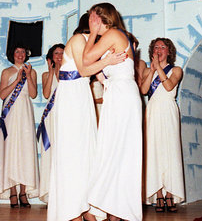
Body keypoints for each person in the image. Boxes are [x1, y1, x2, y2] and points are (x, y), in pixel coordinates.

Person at [47, 13, 127, 221]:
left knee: (87, 150)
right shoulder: (77, 40)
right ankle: (71, 210)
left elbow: (97, 72)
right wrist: (107, 59)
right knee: (72, 153)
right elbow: (83, 70)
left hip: (82, 97)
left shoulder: (89, 42)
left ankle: (87, 207)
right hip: (70, 99)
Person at [83, 2, 143, 221]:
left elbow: (87, 58)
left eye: (92, 17)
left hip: (122, 96)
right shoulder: (114, 38)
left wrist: (91, 34)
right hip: (117, 93)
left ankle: (105, 208)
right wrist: (104, 65)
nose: (90, 21)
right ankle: (112, 208)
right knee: (113, 149)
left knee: (116, 149)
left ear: (100, 18)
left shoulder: (113, 34)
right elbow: (99, 70)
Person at [140, 38, 185, 212]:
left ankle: (170, 194)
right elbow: (144, 90)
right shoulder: (147, 70)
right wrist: (151, 71)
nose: (159, 49)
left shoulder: (176, 70)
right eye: (156, 47)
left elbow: (168, 86)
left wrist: (158, 67)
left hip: (168, 110)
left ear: (168, 51)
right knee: (154, 151)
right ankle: (158, 194)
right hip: (152, 110)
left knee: (170, 150)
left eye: (162, 47)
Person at [0, 44, 39, 208]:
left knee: (25, 150)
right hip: (11, 113)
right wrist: (17, 80)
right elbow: (2, 95)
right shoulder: (7, 72)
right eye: (17, 52)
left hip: (25, 112)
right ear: (12, 54)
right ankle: (13, 192)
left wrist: (28, 76)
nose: (20, 54)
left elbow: (33, 94)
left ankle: (23, 191)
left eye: (23, 52)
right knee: (11, 149)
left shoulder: (32, 71)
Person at [38, 43, 65, 204]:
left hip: (64, 118)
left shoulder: (70, 73)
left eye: (62, 53)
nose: (59, 56)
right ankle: (49, 193)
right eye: (56, 53)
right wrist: (50, 71)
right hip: (50, 118)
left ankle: (63, 192)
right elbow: (47, 93)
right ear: (51, 57)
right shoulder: (45, 75)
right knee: (50, 154)